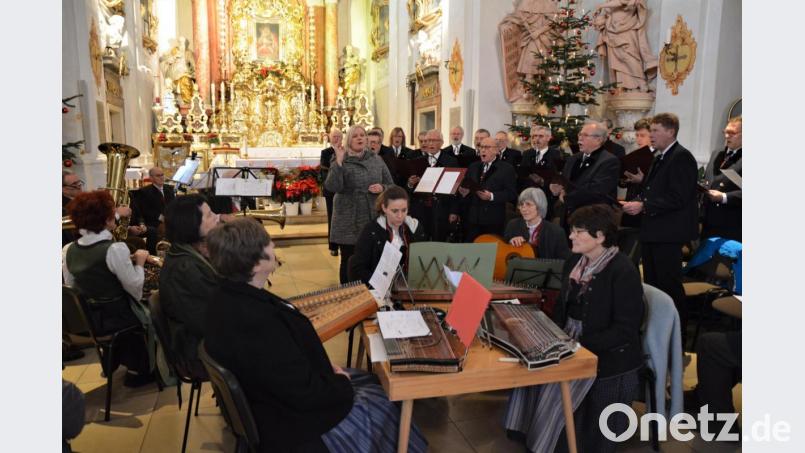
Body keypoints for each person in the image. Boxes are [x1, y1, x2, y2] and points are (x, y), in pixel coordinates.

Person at [203, 218, 428, 453]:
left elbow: (282, 370)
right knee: (382, 401)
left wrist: (327, 370)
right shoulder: (256, 322)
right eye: (268, 243)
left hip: (275, 404)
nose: (273, 245)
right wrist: (340, 382)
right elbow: (302, 393)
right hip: (293, 425)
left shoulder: (226, 296)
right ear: (256, 263)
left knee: (372, 380)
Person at [504, 204, 644, 453]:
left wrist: (576, 347)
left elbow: (625, 330)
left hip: (608, 352)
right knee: (527, 365)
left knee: (555, 380)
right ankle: (530, 434)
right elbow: (562, 309)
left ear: (600, 236)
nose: (571, 236)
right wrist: (547, 333)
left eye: (578, 232)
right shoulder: (575, 261)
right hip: (573, 338)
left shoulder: (623, 271)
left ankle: (552, 441)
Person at [62, 190, 156, 387]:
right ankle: (142, 368)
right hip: (115, 318)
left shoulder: (68, 249)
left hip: (87, 320)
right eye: (112, 212)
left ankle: (117, 358)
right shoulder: (114, 249)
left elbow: (72, 287)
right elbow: (135, 288)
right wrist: (139, 262)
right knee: (155, 303)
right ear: (106, 219)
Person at [622, 112, 698, 342]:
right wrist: (640, 192)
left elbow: (678, 197)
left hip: (669, 233)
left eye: (655, 131)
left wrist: (643, 205)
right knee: (653, 285)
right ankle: (657, 333)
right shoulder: (660, 156)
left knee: (669, 286)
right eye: (651, 131)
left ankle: (677, 336)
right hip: (653, 230)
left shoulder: (682, 157)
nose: (651, 135)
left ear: (670, 132)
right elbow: (655, 189)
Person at [158, 194, 221, 376]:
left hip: (200, 340)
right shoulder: (186, 268)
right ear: (191, 225)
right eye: (209, 215)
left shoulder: (186, 252)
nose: (217, 217)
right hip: (197, 352)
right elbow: (212, 320)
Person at [325, 125, 394, 284]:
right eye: (355, 136)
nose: (360, 138)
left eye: (362, 135)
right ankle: (348, 293)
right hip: (348, 217)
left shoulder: (376, 159)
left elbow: (391, 185)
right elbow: (332, 186)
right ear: (349, 140)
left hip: (372, 215)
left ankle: (370, 293)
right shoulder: (340, 158)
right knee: (349, 259)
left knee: (371, 258)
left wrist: (382, 188)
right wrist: (339, 162)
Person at [350, 186, 426, 285]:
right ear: (384, 208)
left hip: (412, 286)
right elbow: (357, 269)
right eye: (395, 211)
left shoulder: (414, 228)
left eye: (404, 210)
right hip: (379, 288)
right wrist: (378, 285)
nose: (400, 216)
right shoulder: (372, 230)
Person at [550, 121, 620, 224]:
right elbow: (565, 182)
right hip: (568, 216)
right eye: (580, 134)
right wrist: (557, 188)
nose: (580, 138)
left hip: (593, 218)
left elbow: (597, 191)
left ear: (598, 140)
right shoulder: (573, 159)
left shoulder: (609, 161)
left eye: (585, 135)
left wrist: (567, 198)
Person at [457, 136, 518, 241]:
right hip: (472, 218)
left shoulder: (506, 168)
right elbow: (467, 186)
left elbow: (511, 194)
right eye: (481, 147)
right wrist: (464, 192)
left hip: (493, 219)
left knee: (490, 248)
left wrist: (491, 196)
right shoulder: (473, 167)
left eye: (487, 147)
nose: (483, 150)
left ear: (496, 150)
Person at [500, 0, 559, 101]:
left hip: (544, 37)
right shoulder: (526, 2)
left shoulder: (549, 3)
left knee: (543, 62)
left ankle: (543, 89)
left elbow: (552, 23)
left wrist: (538, 32)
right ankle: (527, 88)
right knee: (529, 60)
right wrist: (507, 25)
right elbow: (517, 18)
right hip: (530, 37)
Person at [407, 129, 460, 241]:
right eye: (428, 140)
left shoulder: (450, 161)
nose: (430, 143)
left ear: (441, 143)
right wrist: (410, 184)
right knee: (421, 241)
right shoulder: (417, 161)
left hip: (441, 208)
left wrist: (453, 211)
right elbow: (409, 188)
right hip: (421, 209)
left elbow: (455, 189)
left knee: (438, 241)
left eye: (434, 140)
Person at [593, 0, 657, 92]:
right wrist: (600, 19)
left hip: (627, 26)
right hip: (612, 29)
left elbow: (622, 2)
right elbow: (609, 11)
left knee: (630, 56)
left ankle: (641, 81)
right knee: (617, 59)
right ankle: (621, 85)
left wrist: (601, 6)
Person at [701, 116, 742, 242]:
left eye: (732, 133)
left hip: (731, 224)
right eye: (725, 132)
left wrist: (724, 197)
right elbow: (709, 179)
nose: (727, 136)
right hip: (708, 220)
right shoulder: (717, 153)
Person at [504, 187, 570, 260]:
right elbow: (503, 252)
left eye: (528, 204)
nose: (523, 209)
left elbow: (563, 262)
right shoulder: (512, 225)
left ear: (539, 206)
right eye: (521, 204)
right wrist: (510, 242)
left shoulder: (556, 232)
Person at [132, 167, 175, 255]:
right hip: (153, 222)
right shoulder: (144, 192)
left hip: (168, 220)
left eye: (162, 175)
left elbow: (173, 206)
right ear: (151, 178)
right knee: (163, 229)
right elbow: (146, 212)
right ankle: (156, 255)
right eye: (158, 175)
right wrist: (163, 218)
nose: (161, 177)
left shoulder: (169, 189)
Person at [620, 117, 653, 228]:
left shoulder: (658, 157)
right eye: (637, 135)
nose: (638, 139)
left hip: (645, 208)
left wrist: (642, 180)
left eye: (642, 136)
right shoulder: (636, 155)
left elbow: (659, 186)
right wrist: (624, 180)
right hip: (630, 202)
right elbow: (623, 181)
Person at [320, 128, 343, 256]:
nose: (336, 139)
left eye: (339, 136)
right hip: (331, 189)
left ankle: (343, 244)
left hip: (344, 190)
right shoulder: (326, 152)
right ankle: (333, 246)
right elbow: (325, 168)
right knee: (332, 217)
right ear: (330, 138)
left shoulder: (346, 151)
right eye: (334, 136)